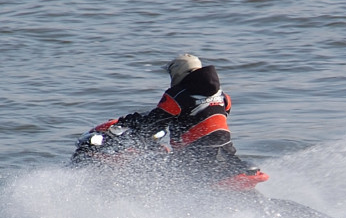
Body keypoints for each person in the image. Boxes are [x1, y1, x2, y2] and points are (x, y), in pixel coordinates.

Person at [73, 54, 267, 189]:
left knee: (148, 171)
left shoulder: (177, 95)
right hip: (225, 156)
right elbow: (198, 118)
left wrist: (131, 123)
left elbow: (154, 123)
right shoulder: (224, 97)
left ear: (178, 74)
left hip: (196, 160)